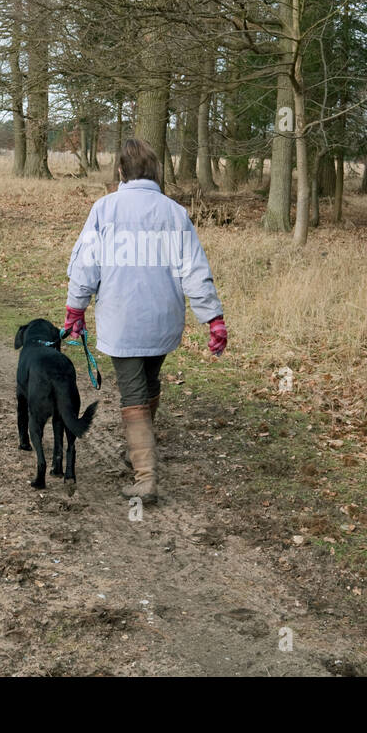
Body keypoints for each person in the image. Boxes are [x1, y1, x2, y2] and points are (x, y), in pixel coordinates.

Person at [63, 139, 227, 505]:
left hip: (123, 321)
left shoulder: (105, 210)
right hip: (163, 319)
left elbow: (85, 265)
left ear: (120, 171)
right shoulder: (174, 213)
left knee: (134, 392)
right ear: (154, 171)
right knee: (149, 381)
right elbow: (195, 270)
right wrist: (213, 319)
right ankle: (141, 451)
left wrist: (75, 309)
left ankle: (145, 476)